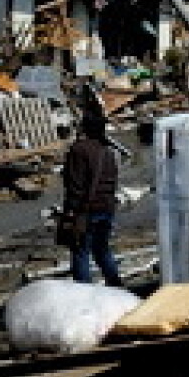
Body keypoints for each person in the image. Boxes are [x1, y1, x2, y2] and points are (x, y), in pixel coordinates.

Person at [61, 115, 122, 286]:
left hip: (87, 210)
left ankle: (85, 293)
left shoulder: (79, 150)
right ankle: (116, 288)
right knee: (102, 249)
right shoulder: (108, 151)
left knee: (80, 252)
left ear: (84, 128)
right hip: (107, 208)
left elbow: (75, 185)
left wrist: (71, 213)